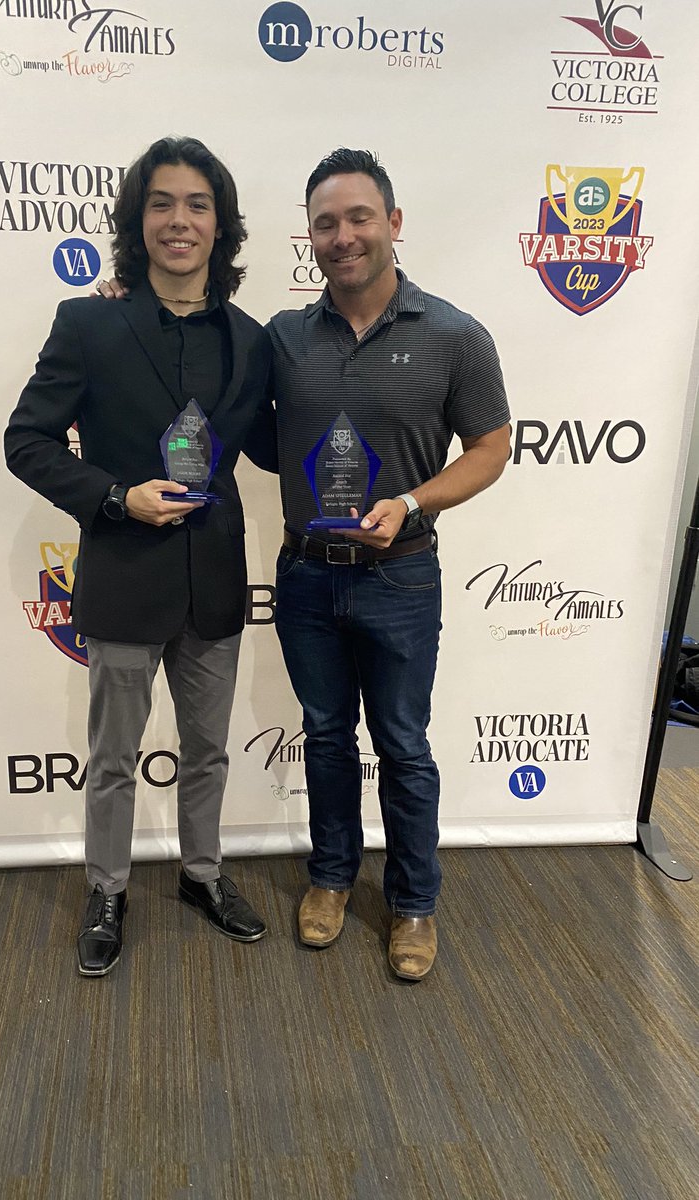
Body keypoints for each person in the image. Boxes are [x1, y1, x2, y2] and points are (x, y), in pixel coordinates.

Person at [5, 136, 276, 977]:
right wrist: (118, 496)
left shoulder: (255, 337)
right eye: (162, 204)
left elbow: (272, 442)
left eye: (198, 205)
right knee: (114, 757)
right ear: (138, 220)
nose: (180, 220)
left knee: (209, 749)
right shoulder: (89, 321)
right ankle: (109, 889)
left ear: (222, 226)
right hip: (124, 576)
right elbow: (27, 441)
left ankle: (203, 875)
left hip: (217, 585)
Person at [269, 149, 510, 979]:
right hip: (303, 578)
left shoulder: (455, 334)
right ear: (310, 238)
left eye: (359, 217)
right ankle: (332, 880)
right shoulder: (282, 338)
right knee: (327, 736)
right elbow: (202, 372)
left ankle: (413, 904)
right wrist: (131, 298)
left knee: (403, 743)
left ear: (394, 223)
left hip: (402, 575)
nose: (343, 236)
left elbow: (490, 449)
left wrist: (411, 502)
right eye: (326, 223)